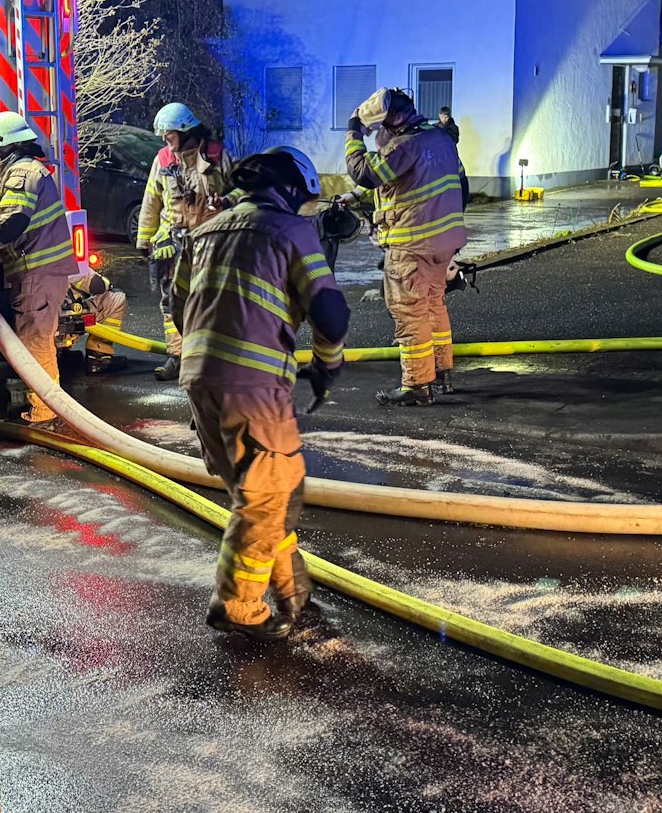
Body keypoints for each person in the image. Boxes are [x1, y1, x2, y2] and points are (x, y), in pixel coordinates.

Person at [172, 146, 348, 640]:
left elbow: (179, 304)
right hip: (252, 386)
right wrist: (327, 365)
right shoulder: (291, 231)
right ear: (290, 190)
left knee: (264, 495)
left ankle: (292, 589)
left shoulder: (205, 231)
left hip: (199, 381)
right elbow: (331, 314)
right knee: (269, 495)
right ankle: (237, 606)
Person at [344, 87, 467, 405]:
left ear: (394, 119)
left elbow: (365, 172)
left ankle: (417, 385)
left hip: (412, 245)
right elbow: (411, 180)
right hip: (443, 242)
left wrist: (353, 132)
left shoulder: (404, 145)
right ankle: (441, 373)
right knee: (434, 305)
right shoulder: (440, 139)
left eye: (381, 128)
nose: (379, 135)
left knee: (410, 313)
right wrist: (356, 197)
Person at [0, 111, 76, 424]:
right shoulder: (27, 169)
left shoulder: (22, 172)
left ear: (3, 144)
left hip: (37, 271)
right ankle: (47, 405)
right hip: (40, 270)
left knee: (35, 341)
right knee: (38, 339)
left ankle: (44, 409)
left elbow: (12, 222)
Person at [136, 102, 232, 382]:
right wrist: (144, 240)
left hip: (210, 243)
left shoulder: (216, 156)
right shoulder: (164, 160)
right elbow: (151, 201)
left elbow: (240, 192)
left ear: (185, 130)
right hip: (173, 243)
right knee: (172, 302)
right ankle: (177, 357)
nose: (165, 139)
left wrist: (226, 203)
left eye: (169, 134)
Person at [69, 270, 129, 373]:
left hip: (41, 322)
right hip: (70, 320)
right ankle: (98, 357)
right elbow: (97, 285)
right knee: (116, 297)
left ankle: (58, 354)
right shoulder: (64, 262)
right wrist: (106, 283)